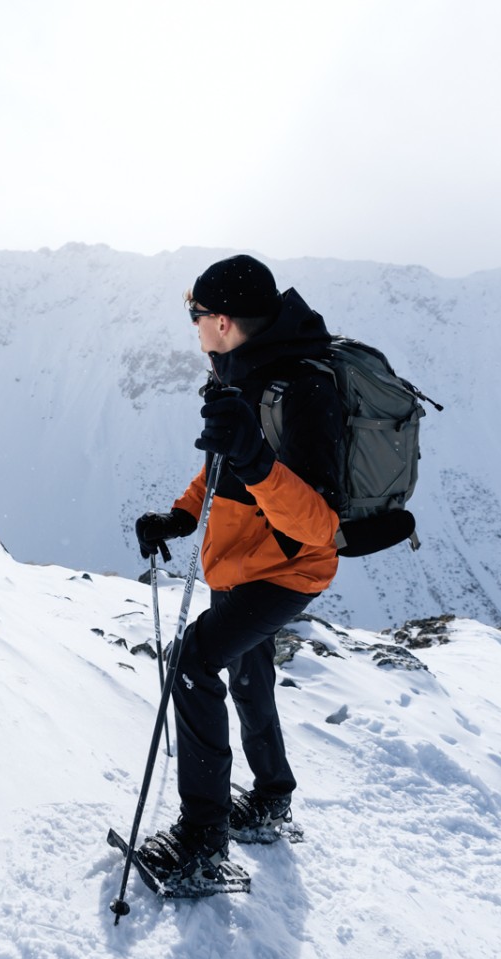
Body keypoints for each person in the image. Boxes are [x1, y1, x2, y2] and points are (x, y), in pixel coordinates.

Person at [132, 254, 344, 882]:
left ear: (222, 321)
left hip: (288, 569)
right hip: (243, 564)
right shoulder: (242, 370)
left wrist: (253, 460)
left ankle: (202, 844)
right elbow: (222, 469)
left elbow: (319, 524)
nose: (192, 327)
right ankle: (271, 798)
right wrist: (179, 516)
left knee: (193, 663)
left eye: (195, 315)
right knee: (249, 675)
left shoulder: (304, 387)